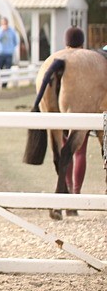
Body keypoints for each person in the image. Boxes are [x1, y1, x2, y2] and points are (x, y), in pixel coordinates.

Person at [59, 26, 91, 201]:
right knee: (80, 152)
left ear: (66, 43)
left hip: (61, 108)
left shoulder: (61, 58)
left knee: (64, 148)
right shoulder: (87, 63)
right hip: (80, 108)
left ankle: (68, 188)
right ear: (82, 43)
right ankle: (76, 193)